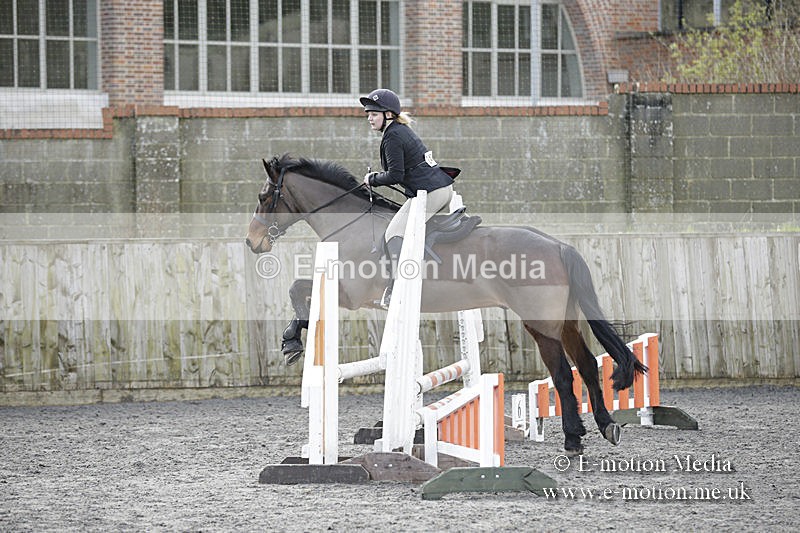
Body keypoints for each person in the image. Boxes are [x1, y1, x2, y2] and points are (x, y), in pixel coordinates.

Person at [360, 88, 455, 309]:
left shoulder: (393, 136)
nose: (369, 118)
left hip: (432, 192)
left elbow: (395, 175)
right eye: (368, 114)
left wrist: (372, 179)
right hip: (436, 188)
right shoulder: (398, 131)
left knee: (394, 234)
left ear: (388, 115)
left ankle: (396, 289)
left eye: (373, 114)